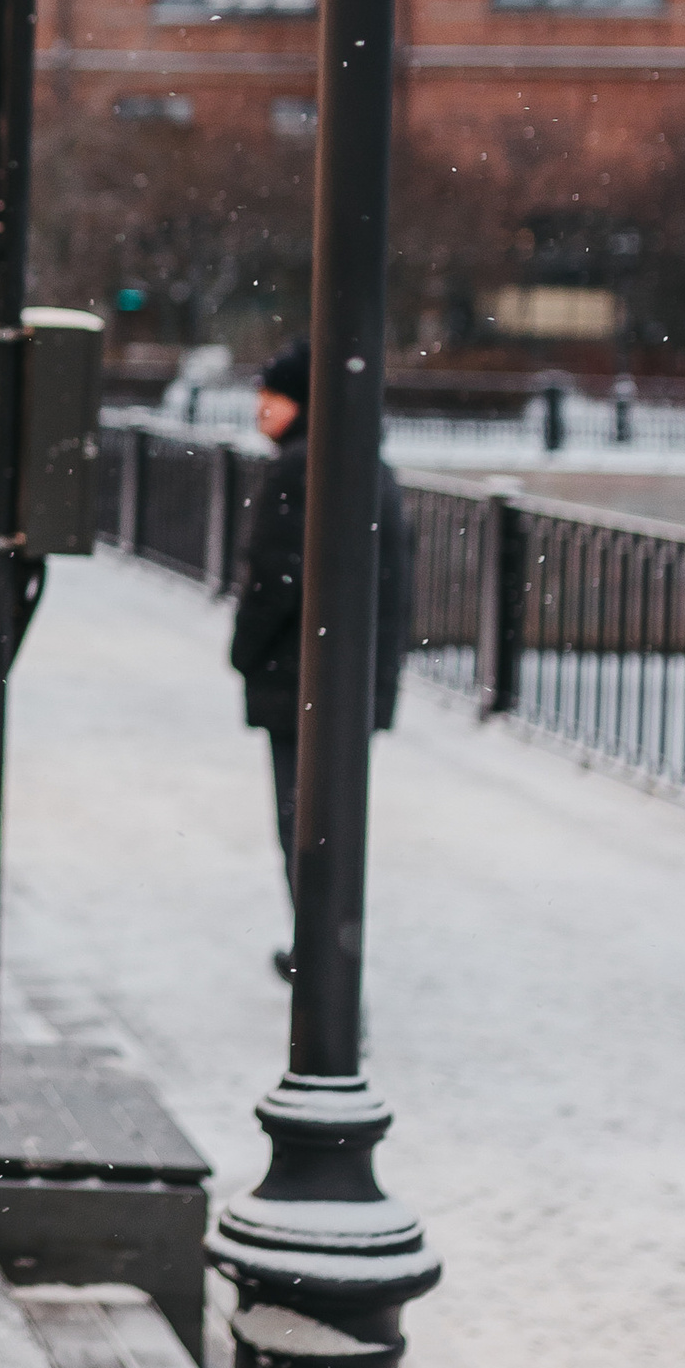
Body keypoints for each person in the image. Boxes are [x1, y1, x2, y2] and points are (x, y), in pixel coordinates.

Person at [228, 334, 407, 946]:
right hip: (352, 682)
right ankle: (330, 950)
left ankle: (322, 964)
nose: (262, 408)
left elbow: (274, 579)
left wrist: (242, 652)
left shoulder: (296, 469)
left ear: (305, 401)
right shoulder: (369, 465)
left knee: (302, 828)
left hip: (297, 678)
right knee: (334, 826)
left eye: (274, 396)